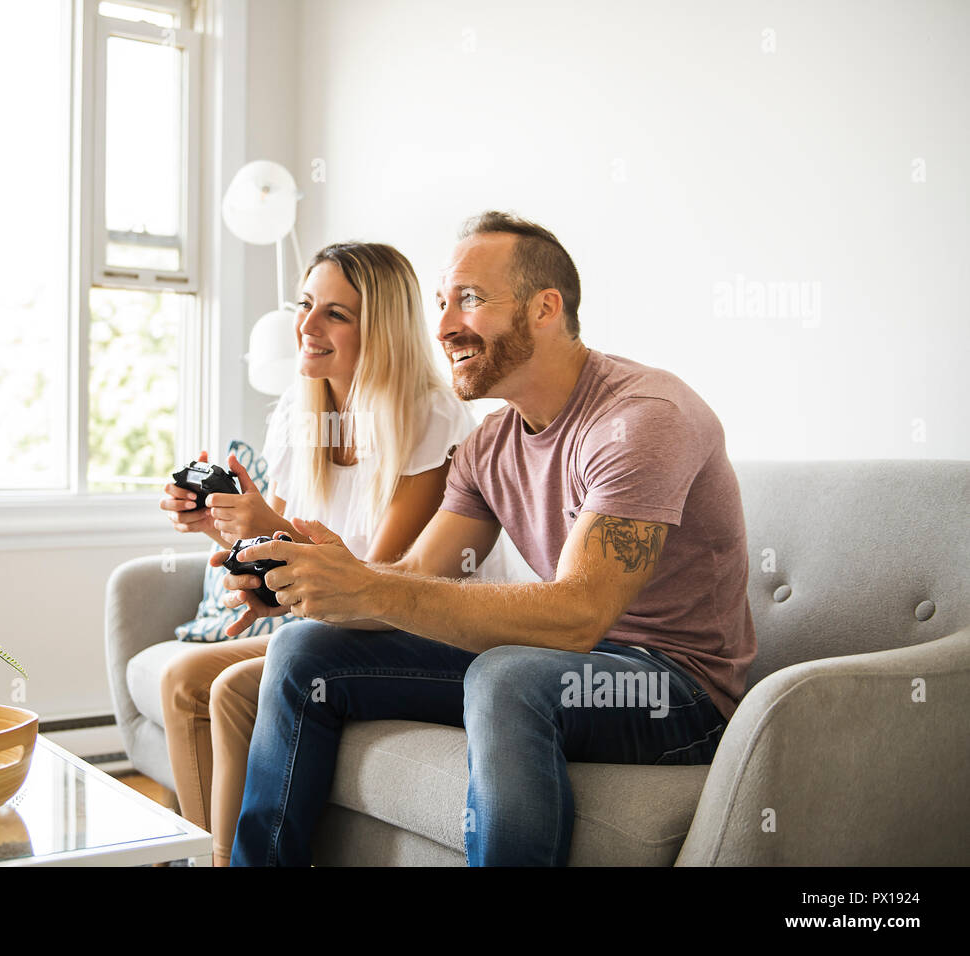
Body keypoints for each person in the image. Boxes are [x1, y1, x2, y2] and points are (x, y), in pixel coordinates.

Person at [221, 211, 757, 866]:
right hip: (562, 664)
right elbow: (419, 578)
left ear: (544, 309)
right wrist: (321, 579)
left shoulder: (640, 419)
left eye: (468, 300)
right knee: (304, 650)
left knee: (508, 676)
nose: (443, 326)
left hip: (672, 688)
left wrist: (369, 587)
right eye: (443, 302)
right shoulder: (488, 446)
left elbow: (577, 618)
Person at [157, 241, 498, 866]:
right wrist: (224, 528)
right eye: (305, 304)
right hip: (337, 624)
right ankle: (208, 858)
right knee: (182, 678)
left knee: (233, 686)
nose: (306, 327)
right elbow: (277, 550)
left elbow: (385, 585)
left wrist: (265, 525)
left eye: (335, 314)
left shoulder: (432, 420)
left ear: (382, 328)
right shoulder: (300, 411)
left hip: (416, 631)